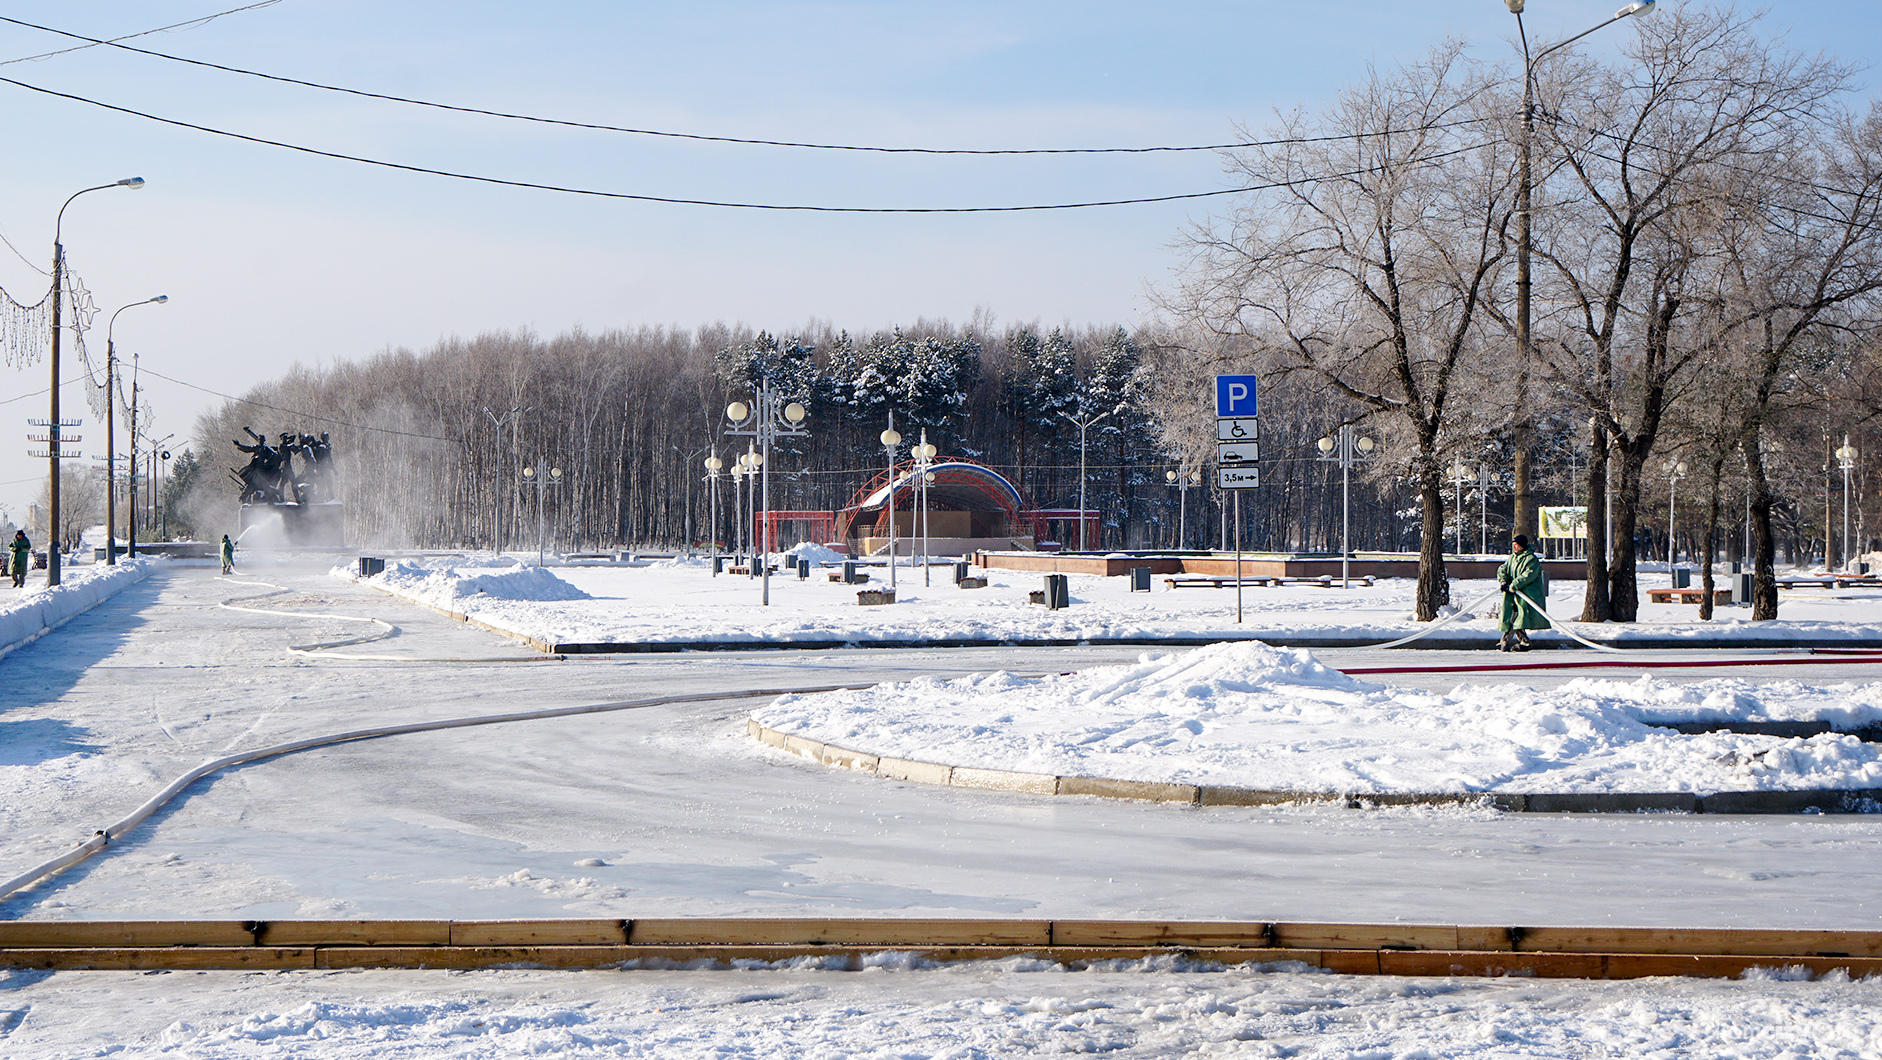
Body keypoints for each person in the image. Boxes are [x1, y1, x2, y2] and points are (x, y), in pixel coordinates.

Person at [1497, 533, 1548, 652]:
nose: (1515, 547)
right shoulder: (1512, 558)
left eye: (1517, 545)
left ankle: (1514, 641)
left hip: (1526, 595)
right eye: (1513, 545)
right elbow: (1502, 569)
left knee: (1519, 619)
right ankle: (1509, 641)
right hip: (1513, 594)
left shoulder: (1531, 559)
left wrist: (1514, 585)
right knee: (1511, 617)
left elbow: (1528, 575)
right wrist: (1503, 581)